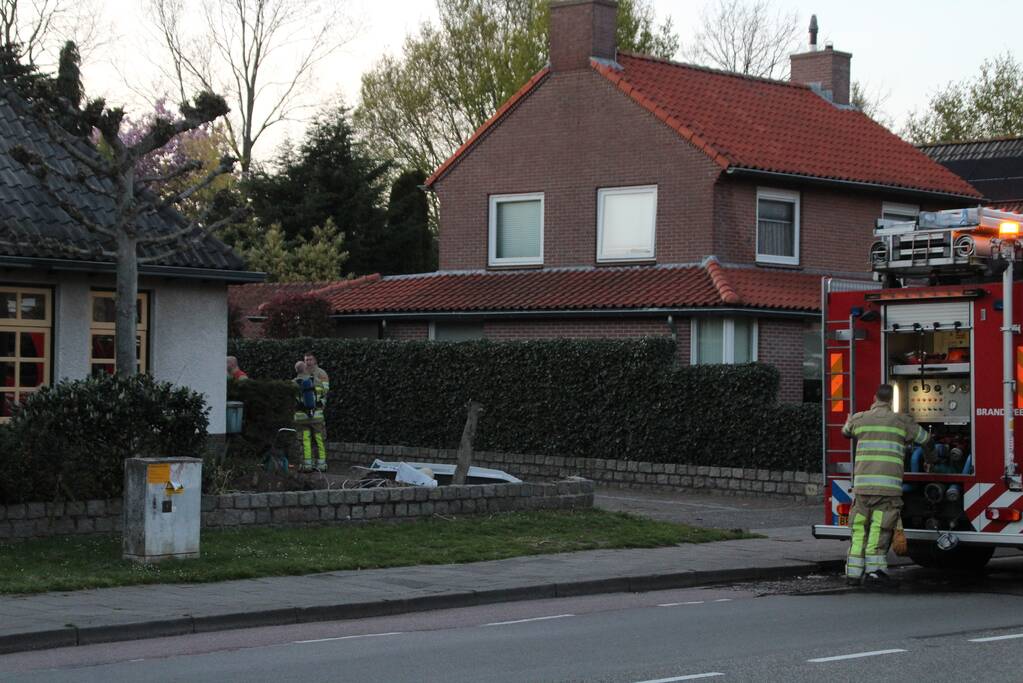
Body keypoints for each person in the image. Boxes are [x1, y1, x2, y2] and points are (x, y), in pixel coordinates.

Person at [842, 384, 929, 587]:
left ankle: (853, 573)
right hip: (887, 490)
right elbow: (925, 438)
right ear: (892, 400)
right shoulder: (901, 421)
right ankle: (875, 572)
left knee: (859, 529)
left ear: (875, 397)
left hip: (862, 488)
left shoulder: (859, 418)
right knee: (879, 529)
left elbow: (846, 432)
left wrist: (849, 422)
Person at [293, 360, 327, 473]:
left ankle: (307, 464)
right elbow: (322, 398)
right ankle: (321, 464)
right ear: (306, 368)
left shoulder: (293, 383)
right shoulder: (317, 381)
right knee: (319, 439)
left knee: (305, 440)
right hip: (317, 417)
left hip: (301, 418)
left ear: (296, 371)